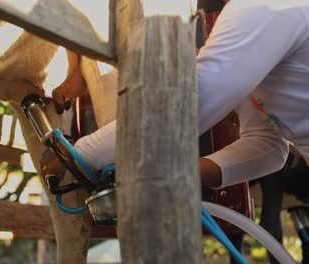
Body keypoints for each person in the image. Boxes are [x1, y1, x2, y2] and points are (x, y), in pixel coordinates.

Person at [42, 0, 309, 188]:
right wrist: (177, 171)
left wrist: (79, 154)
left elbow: (191, 103)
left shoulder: (264, 7)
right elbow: (267, 144)